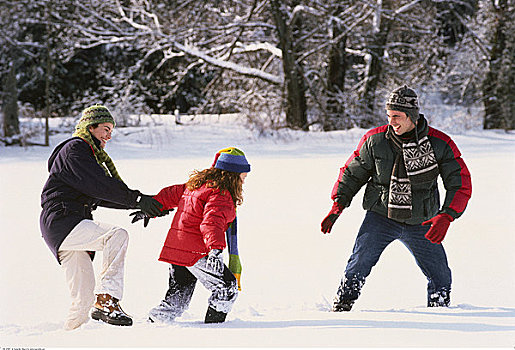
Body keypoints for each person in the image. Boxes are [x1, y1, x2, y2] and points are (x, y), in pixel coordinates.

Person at [321, 86, 472, 311]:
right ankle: (342, 307)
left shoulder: (439, 143)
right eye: (389, 116)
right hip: (381, 215)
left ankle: (440, 313)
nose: (392, 121)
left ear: (412, 116)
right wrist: (338, 204)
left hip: (423, 220)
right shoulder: (375, 140)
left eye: (397, 116)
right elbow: (353, 173)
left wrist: (446, 216)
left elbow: (460, 184)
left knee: (440, 275)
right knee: (358, 264)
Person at [40, 104, 163, 330]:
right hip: (64, 220)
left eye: (111, 130)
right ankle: (107, 300)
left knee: (83, 301)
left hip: (64, 226)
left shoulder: (84, 155)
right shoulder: (76, 148)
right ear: (90, 127)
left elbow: (100, 195)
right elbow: (101, 186)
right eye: (105, 129)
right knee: (116, 236)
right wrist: (137, 199)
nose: (109, 135)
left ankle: (69, 338)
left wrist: (142, 203)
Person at [132, 147, 250, 324]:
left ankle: (156, 322)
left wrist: (152, 208)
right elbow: (212, 222)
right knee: (226, 288)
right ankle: (215, 329)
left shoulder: (197, 185)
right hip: (196, 251)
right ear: (232, 175)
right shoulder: (221, 194)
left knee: (178, 296)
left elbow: (170, 194)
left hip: (178, 249)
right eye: (243, 175)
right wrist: (215, 249)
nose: (244, 179)